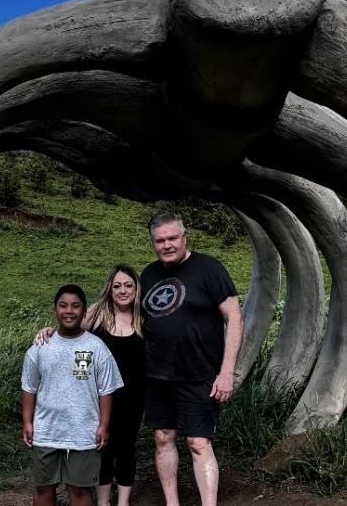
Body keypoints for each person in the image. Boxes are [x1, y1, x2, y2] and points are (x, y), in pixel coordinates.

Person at [141, 212, 243, 506]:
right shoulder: (148, 275)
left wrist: (226, 373)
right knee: (162, 437)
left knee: (198, 443)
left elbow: (234, 319)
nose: (167, 245)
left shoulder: (209, 269)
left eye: (173, 238)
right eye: (160, 241)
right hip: (157, 374)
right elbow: (119, 306)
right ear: (153, 244)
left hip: (199, 373)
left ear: (185, 237)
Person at [34, 265, 146, 506]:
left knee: (126, 448)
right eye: (117, 285)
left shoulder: (144, 319)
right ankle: (104, 502)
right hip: (99, 396)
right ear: (110, 288)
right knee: (102, 448)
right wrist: (49, 331)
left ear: (136, 289)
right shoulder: (97, 313)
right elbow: (70, 326)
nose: (123, 290)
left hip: (134, 397)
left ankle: (123, 502)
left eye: (128, 285)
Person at [22, 284, 124, 506]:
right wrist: (27, 422)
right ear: (55, 310)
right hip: (46, 430)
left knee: (79, 489)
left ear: (84, 311)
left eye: (75, 306)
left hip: (83, 431)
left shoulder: (96, 347)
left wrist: (103, 425)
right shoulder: (40, 347)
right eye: (63, 306)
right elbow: (29, 387)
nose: (69, 311)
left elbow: (106, 390)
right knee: (43, 487)